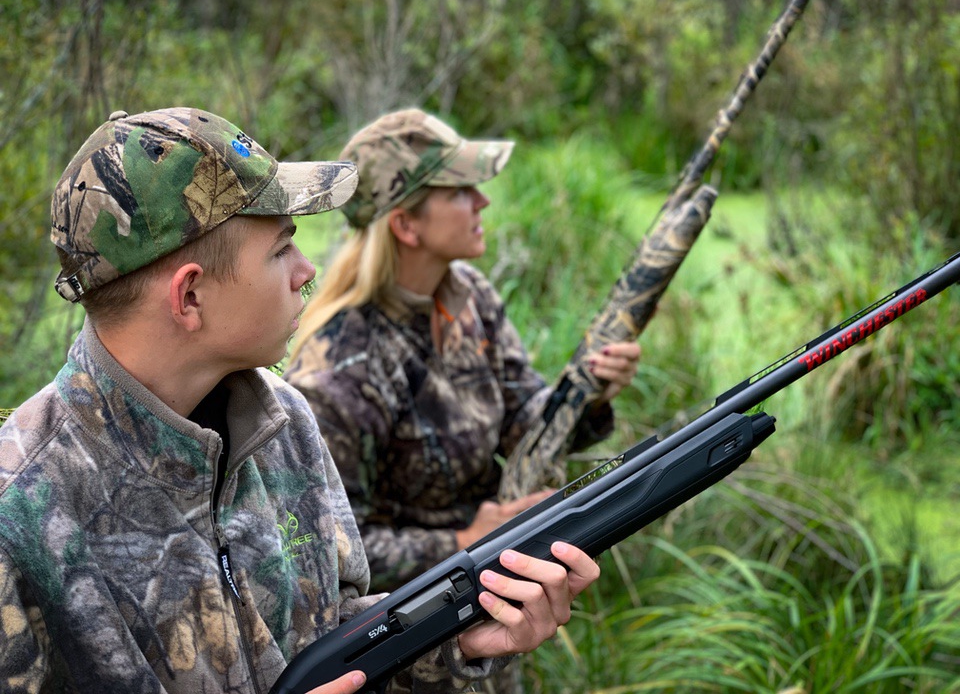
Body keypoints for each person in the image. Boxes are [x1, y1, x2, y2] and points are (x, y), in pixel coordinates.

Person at [0, 107, 601, 694]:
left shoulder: (283, 421)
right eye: (281, 249)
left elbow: (335, 633)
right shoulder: (18, 515)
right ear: (190, 296)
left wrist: (455, 642)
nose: (306, 269)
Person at [283, 109, 640, 692]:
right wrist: (460, 542)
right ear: (406, 225)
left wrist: (590, 393)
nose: (483, 202)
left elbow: (528, 422)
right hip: (401, 655)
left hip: (494, 626)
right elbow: (330, 557)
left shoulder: (468, 295)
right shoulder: (339, 370)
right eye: (460, 191)